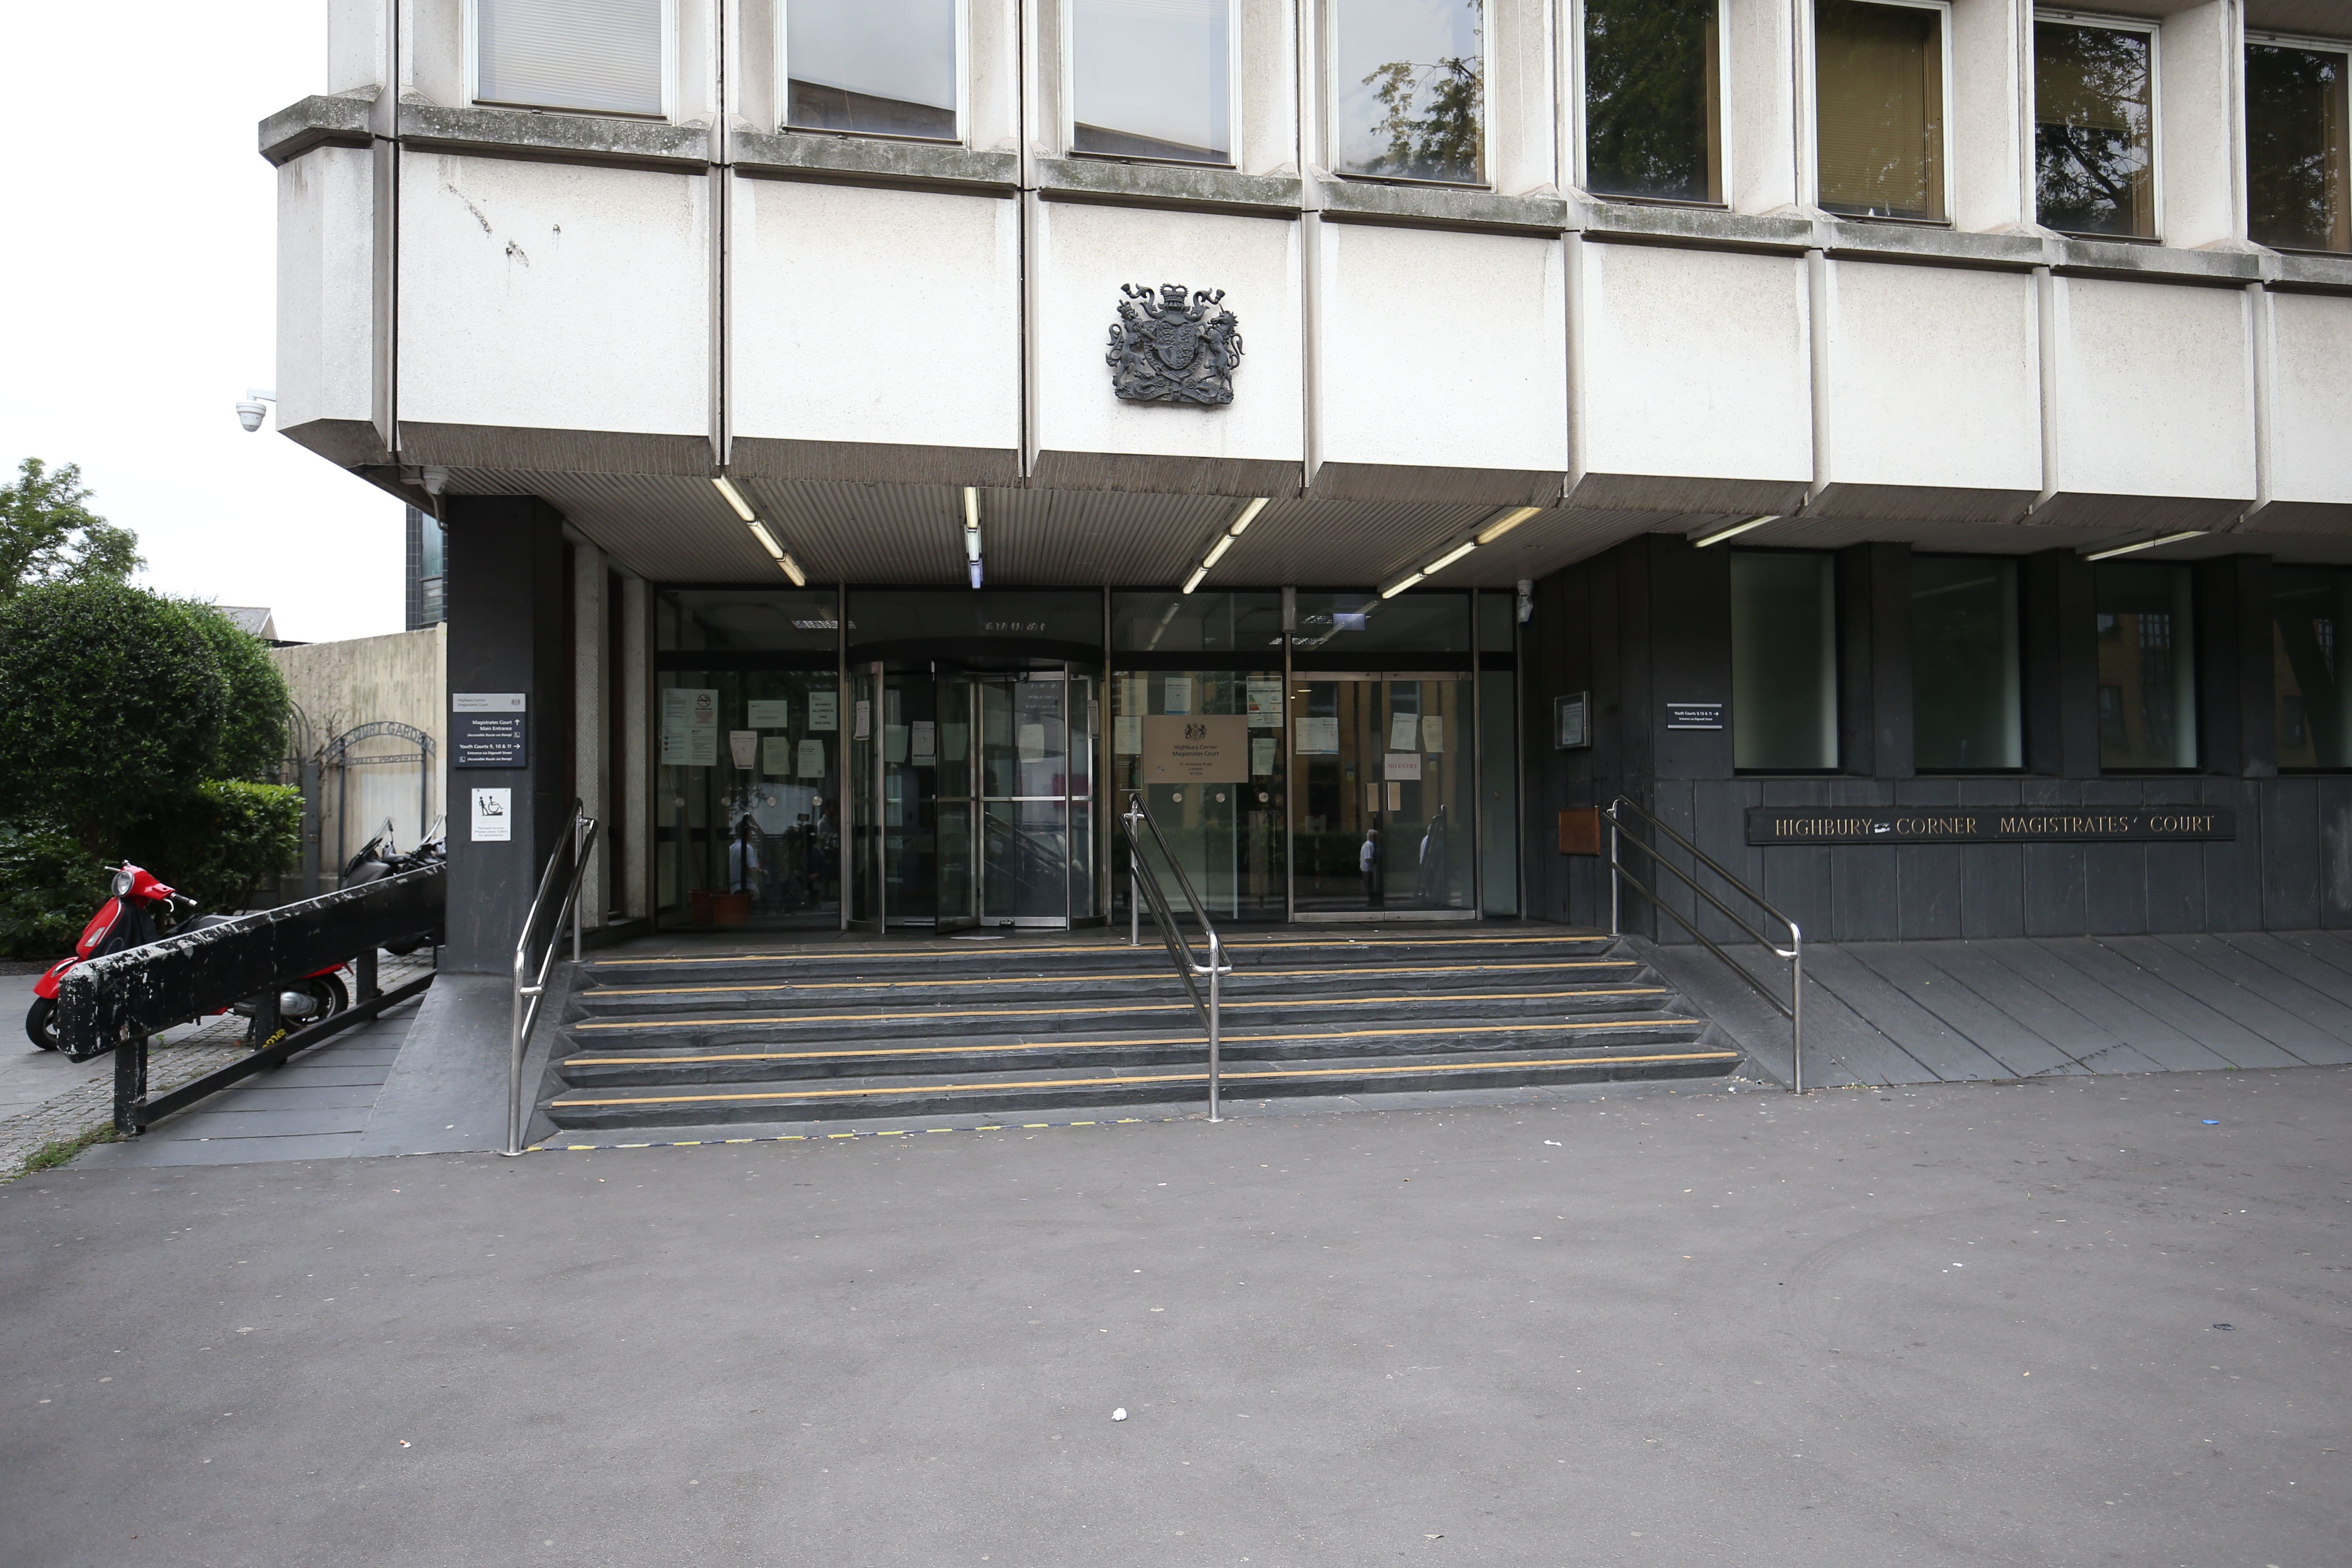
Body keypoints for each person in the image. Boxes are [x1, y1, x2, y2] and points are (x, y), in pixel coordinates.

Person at [727, 815, 763, 897]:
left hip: (734, 889)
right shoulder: (747, 848)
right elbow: (752, 870)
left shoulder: (731, 848)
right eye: (750, 831)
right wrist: (763, 872)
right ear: (747, 832)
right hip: (748, 889)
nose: (752, 833)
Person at [1360, 822, 1383, 908]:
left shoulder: (1368, 845)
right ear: (1373, 837)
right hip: (1368, 870)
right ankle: (1373, 902)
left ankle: (1373, 902)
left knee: (1370, 887)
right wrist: (1375, 865)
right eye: (1376, 837)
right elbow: (1368, 858)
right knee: (1370, 888)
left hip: (1366, 870)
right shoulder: (1369, 845)